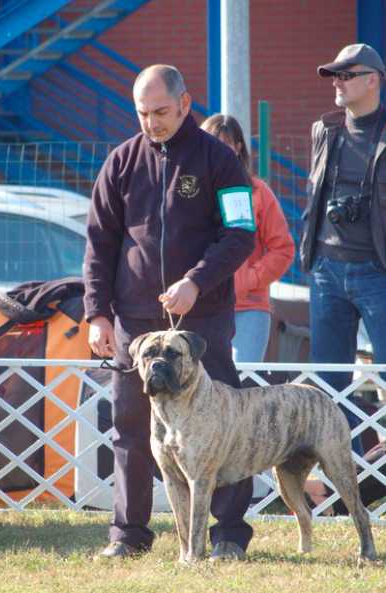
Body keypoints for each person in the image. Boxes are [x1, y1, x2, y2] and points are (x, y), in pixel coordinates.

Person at [83, 64, 256, 560]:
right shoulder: (120, 162)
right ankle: (128, 535)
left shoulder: (220, 159)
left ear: (185, 103)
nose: (152, 122)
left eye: (161, 111)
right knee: (131, 429)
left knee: (224, 428)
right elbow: (99, 244)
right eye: (143, 113)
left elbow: (241, 234)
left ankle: (227, 535)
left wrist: (196, 282)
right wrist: (97, 313)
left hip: (201, 321)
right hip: (135, 322)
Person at [300, 43, 386, 457]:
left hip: (378, 270)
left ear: (373, 80)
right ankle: (345, 475)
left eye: (347, 74)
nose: (337, 82)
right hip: (327, 270)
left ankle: (378, 475)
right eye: (334, 74)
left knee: (385, 376)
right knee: (329, 383)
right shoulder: (325, 128)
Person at [201, 114, 295, 363]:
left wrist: (249, 278)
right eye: (212, 144)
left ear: (239, 147)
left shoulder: (259, 192)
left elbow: (282, 249)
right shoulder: (189, 194)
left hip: (249, 308)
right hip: (199, 308)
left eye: (226, 144)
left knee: (242, 386)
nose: (219, 152)